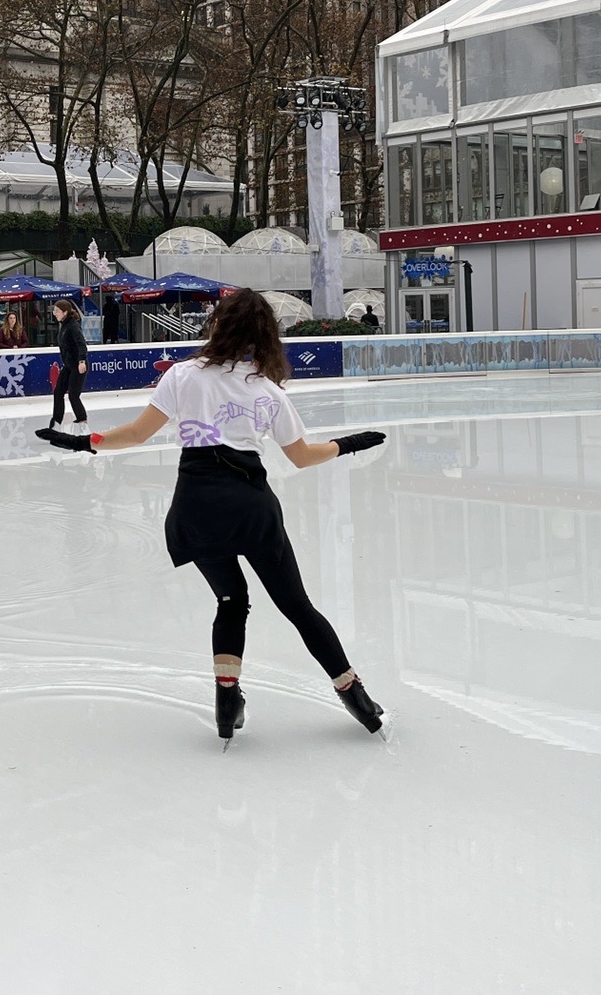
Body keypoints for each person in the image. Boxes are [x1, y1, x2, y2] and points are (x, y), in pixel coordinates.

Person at [37, 290, 387, 741]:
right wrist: (348, 443)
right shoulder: (266, 391)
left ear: (218, 324)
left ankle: (227, 698)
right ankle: (355, 695)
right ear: (266, 335)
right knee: (297, 607)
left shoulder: (182, 376)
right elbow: (301, 457)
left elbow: (138, 434)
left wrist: (82, 442)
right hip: (251, 508)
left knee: (231, 600)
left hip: (196, 507)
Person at [44, 299, 89, 430]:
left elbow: (81, 344)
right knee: (58, 392)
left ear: (65, 312)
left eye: (57, 311)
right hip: (69, 365)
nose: (54, 313)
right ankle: (56, 421)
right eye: (54, 311)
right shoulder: (64, 324)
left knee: (73, 395)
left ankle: (82, 420)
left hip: (78, 365)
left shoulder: (73, 326)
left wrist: (81, 361)